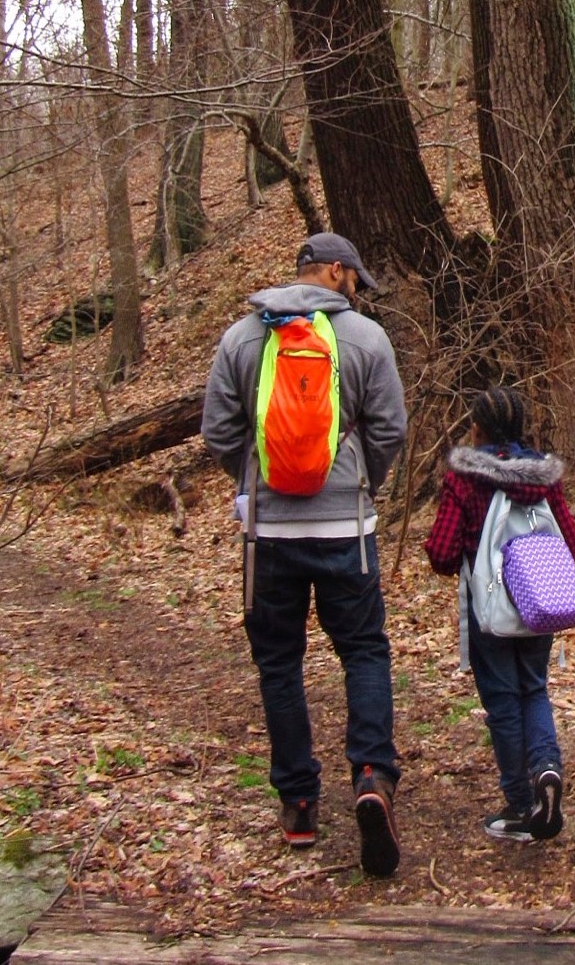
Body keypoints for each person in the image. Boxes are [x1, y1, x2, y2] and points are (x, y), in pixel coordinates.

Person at [202, 232, 406, 876]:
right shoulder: (368, 340)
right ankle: (372, 775)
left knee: (279, 663)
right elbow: (389, 429)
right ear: (336, 273)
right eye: (355, 279)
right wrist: (357, 479)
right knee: (365, 651)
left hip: (270, 537)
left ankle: (297, 804)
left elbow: (218, 430)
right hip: (346, 527)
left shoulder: (242, 337)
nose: (358, 290)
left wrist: (255, 481)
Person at [424, 386, 575, 843]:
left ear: (478, 428)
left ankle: (519, 804)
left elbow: (442, 550)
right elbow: (571, 544)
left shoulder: (464, 478)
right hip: (539, 602)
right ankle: (547, 770)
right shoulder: (542, 477)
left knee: (502, 702)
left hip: (489, 607)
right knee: (533, 689)